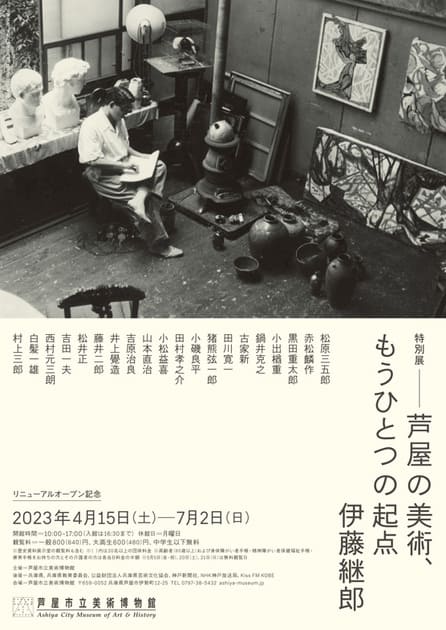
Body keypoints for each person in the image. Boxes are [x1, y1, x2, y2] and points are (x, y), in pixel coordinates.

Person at [78, 86, 183, 258]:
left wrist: (145, 157)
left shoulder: (118, 119)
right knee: (149, 200)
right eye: (124, 110)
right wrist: (123, 167)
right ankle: (159, 245)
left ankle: (139, 199)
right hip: (102, 174)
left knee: (159, 166)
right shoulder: (91, 125)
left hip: (124, 164)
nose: (125, 114)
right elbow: (92, 160)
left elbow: (125, 147)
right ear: (112, 104)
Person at [42, 57, 90, 130]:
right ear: (69, 82)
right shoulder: (46, 101)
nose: (85, 83)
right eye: (82, 80)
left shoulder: (73, 99)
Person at [9, 68, 44, 139]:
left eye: (40, 92)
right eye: (34, 94)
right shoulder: (16, 113)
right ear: (21, 96)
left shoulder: (41, 108)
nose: (40, 97)